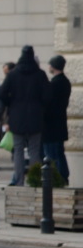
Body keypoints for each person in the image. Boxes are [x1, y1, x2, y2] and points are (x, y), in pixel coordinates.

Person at [0, 45, 49, 186]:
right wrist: (40, 106)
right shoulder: (40, 74)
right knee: (34, 150)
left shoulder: (13, 74)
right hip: (35, 116)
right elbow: (48, 96)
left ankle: (19, 180)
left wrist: (11, 103)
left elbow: (2, 93)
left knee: (18, 150)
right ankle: (34, 180)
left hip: (17, 117)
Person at [44, 54, 71, 184]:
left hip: (51, 125)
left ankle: (58, 178)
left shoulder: (55, 83)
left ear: (54, 66)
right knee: (59, 152)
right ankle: (63, 176)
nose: (48, 66)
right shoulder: (65, 82)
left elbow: (48, 104)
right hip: (59, 123)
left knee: (52, 154)